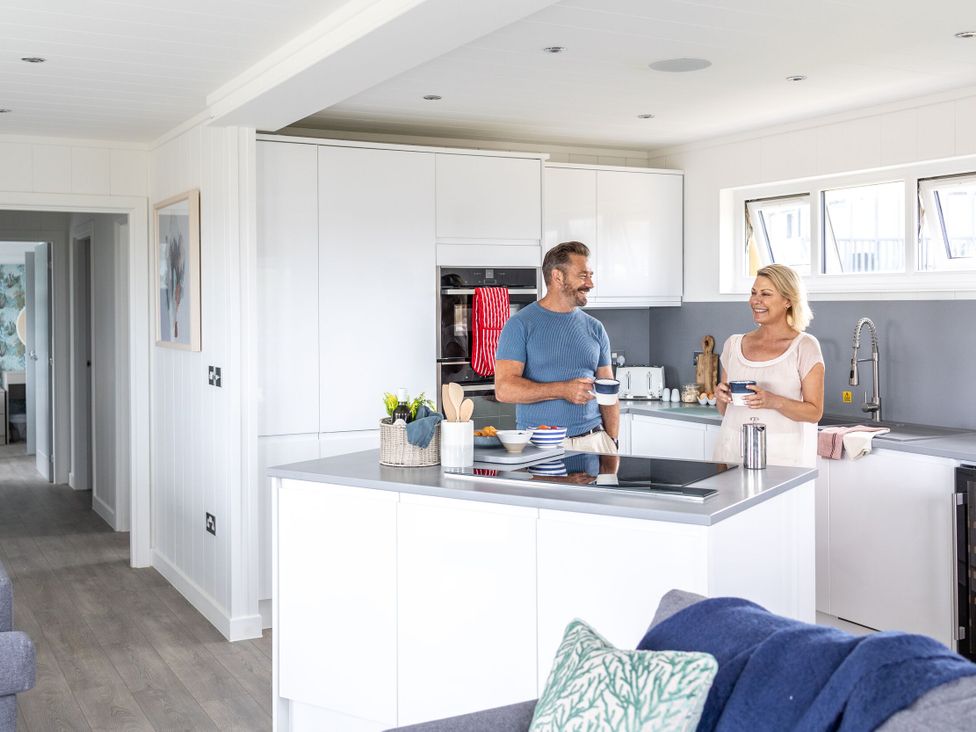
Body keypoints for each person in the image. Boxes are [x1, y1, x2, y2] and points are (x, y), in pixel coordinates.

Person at [494, 241, 619, 454]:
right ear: (557, 276)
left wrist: (613, 443)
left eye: (591, 275)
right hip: (538, 446)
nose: (590, 284)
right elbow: (504, 389)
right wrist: (563, 390)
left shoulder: (595, 328)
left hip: (594, 442)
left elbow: (609, 394)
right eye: (582, 276)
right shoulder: (520, 325)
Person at [713, 264, 824, 468]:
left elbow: (814, 412)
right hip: (731, 451)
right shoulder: (734, 344)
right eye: (753, 292)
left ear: (788, 301)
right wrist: (720, 396)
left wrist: (773, 401)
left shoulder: (805, 346)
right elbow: (724, 411)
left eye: (766, 294)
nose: (756, 300)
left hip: (781, 458)